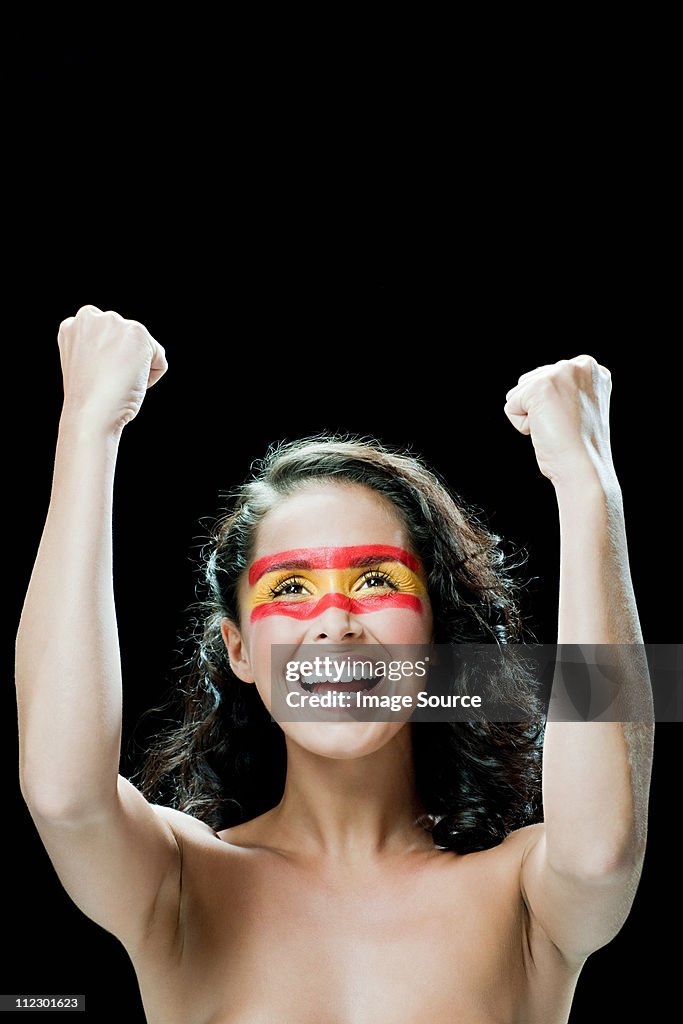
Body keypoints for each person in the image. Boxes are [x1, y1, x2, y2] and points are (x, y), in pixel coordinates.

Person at [15, 305, 653, 1024]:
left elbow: (601, 852)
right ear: (240, 652)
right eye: (289, 588)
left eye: (377, 579)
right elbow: (63, 793)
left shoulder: (524, 894)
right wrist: (88, 429)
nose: (333, 622)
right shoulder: (181, 882)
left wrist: (587, 482)